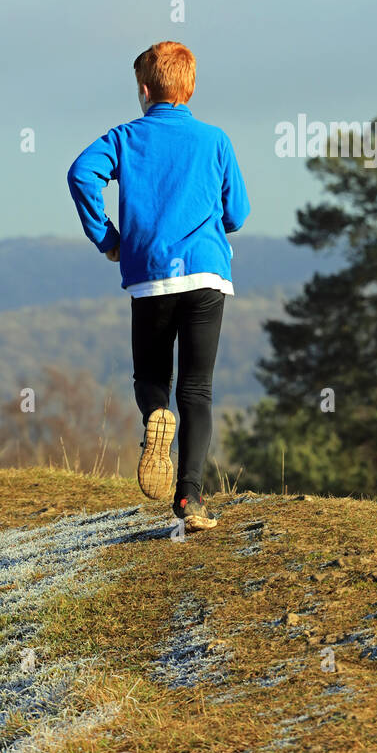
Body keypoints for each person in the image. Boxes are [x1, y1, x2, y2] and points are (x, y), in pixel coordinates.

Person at [66, 41, 249, 531]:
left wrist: (108, 238)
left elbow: (81, 173)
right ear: (189, 88)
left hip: (150, 275)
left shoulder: (126, 137)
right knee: (198, 388)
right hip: (207, 274)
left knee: (151, 377)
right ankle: (190, 501)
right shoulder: (216, 140)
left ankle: (154, 416)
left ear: (145, 90)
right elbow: (239, 213)